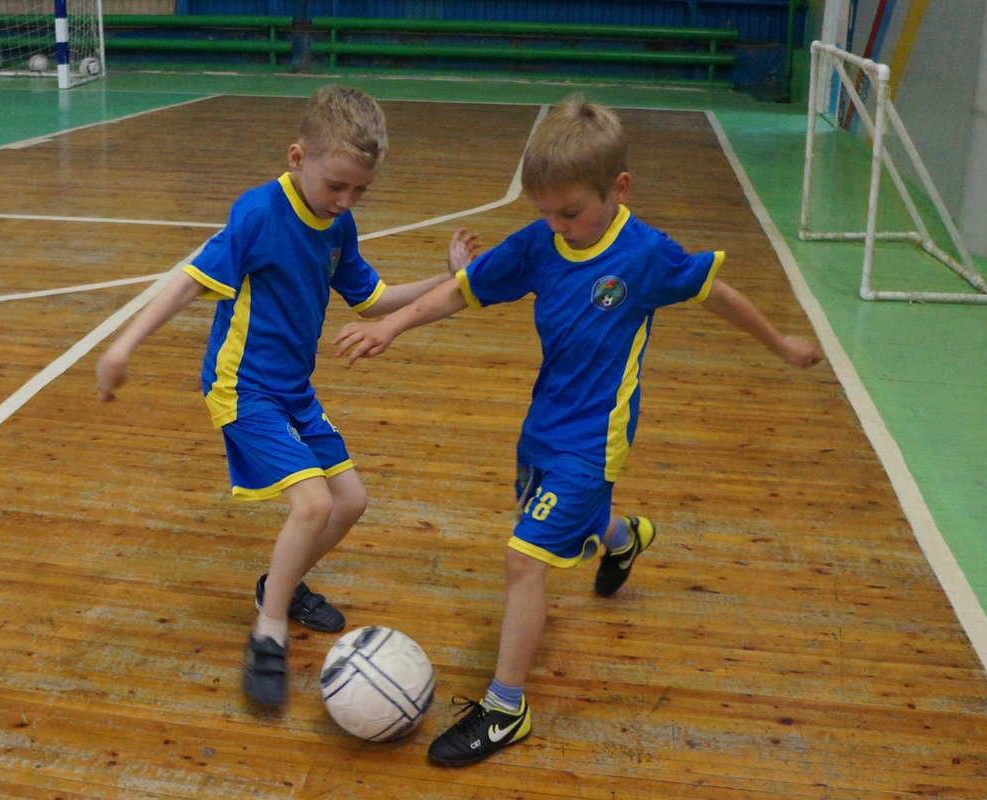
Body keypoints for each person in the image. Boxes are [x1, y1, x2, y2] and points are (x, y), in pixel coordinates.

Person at [332, 95, 824, 766]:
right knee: (575, 524)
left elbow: (717, 294)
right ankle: (624, 538)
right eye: (545, 213)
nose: (558, 225)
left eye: (571, 212)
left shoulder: (646, 255)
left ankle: (507, 710)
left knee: (522, 560)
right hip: (544, 429)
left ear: (617, 189)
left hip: (594, 442)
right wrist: (389, 325)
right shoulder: (541, 244)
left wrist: (782, 343)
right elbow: (461, 290)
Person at [95, 85, 480, 711]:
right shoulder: (258, 213)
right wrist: (121, 347)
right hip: (242, 388)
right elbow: (188, 281)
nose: (345, 201)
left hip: (294, 392)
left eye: (359, 192)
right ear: (298, 157)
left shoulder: (338, 223)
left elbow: (374, 298)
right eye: (337, 186)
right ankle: (267, 633)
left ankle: (280, 582)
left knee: (350, 501)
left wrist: (453, 277)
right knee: (311, 503)